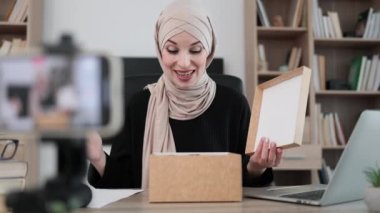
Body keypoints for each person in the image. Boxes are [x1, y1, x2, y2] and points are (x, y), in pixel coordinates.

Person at [87, 0, 283, 189]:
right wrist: (98, 156)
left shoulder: (235, 105)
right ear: (160, 50)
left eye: (195, 50)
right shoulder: (139, 105)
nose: (183, 62)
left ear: (209, 50)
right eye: (172, 50)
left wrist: (256, 167)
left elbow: (247, 185)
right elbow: (124, 184)